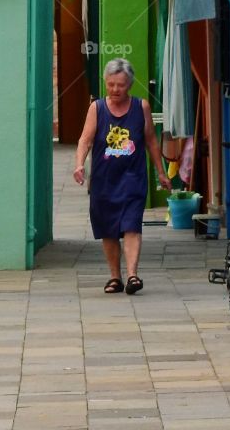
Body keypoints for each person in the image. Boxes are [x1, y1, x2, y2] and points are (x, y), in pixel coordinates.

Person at [74, 58, 169, 294]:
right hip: (104, 180)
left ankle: (133, 275)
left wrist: (161, 172)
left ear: (130, 84)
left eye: (121, 85)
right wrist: (79, 165)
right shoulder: (97, 108)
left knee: (131, 225)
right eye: (111, 84)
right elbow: (85, 140)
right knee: (108, 229)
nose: (116, 90)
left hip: (133, 178)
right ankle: (115, 277)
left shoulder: (141, 107)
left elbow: (151, 141)